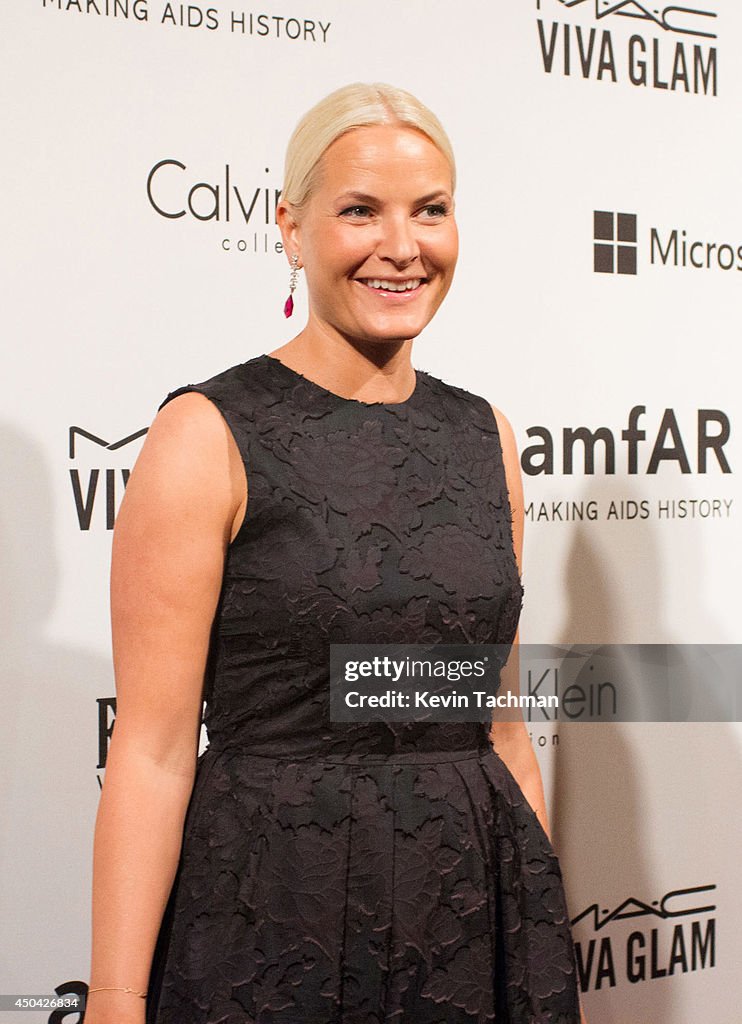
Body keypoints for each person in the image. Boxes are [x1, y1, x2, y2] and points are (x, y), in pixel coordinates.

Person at [85, 82, 587, 1024]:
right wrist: (115, 1000)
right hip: (273, 913)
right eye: (361, 210)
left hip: (472, 911)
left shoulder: (488, 438)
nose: (403, 246)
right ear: (291, 227)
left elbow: (502, 729)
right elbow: (151, 753)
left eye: (429, 210)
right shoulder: (207, 432)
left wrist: (543, 957)